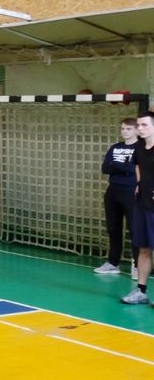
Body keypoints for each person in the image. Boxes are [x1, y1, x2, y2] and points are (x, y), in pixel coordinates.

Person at [95, 118, 140, 277]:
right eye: (123, 129)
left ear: (136, 130)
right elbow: (105, 168)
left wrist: (116, 165)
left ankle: (137, 266)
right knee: (113, 228)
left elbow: (135, 169)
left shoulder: (141, 148)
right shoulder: (115, 147)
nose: (125, 132)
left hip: (132, 192)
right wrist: (125, 167)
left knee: (135, 229)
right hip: (113, 191)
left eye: (128, 129)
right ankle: (113, 263)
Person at [122, 112, 154, 304]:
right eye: (138, 125)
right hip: (143, 204)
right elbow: (138, 166)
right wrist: (140, 184)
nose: (140, 129)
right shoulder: (140, 148)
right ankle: (141, 291)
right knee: (143, 248)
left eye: (144, 125)